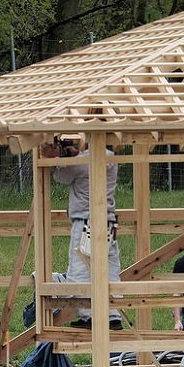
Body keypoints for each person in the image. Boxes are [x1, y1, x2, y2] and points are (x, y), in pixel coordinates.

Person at [44, 137, 123, 330]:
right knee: (109, 270)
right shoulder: (110, 158)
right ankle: (113, 315)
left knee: (79, 272)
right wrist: (74, 155)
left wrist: (57, 157)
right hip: (108, 222)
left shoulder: (83, 162)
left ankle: (89, 315)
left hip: (86, 223)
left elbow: (61, 176)